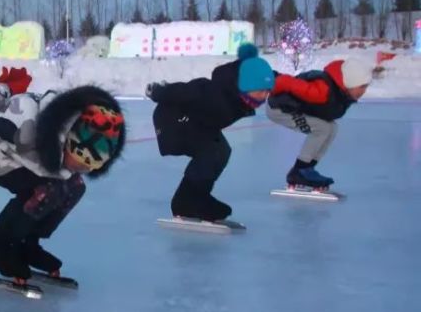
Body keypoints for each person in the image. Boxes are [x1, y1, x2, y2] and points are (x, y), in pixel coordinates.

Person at [0, 67, 126, 281]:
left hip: (32, 156)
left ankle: (28, 243)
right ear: (70, 143)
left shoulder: (69, 138)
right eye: (81, 163)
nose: (84, 169)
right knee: (46, 190)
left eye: (91, 167)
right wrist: (6, 87)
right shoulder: (24, 124)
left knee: (75, 187)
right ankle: (0, 248)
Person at [146, 42, 275, 221]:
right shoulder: (214, 92)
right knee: (211, 151)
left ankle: (199, 197)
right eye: (260, 90)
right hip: (172, 120)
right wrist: (159, 91)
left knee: (222, 150)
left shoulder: (241, 98)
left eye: (267, 91)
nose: (264, 96)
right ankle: (184, 203)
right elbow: (185, 91)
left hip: (196, 124)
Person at [267, 57, 374, 188]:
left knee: (332, 128)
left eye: (366, 87)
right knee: (322, 128)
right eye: (361, 86)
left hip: (297, 108)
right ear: (351, 82)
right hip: (280, 108)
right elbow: (288, 82)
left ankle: (307, 169)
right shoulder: (322, 91)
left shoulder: (342, 95)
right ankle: (299, 171)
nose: (363, 91)